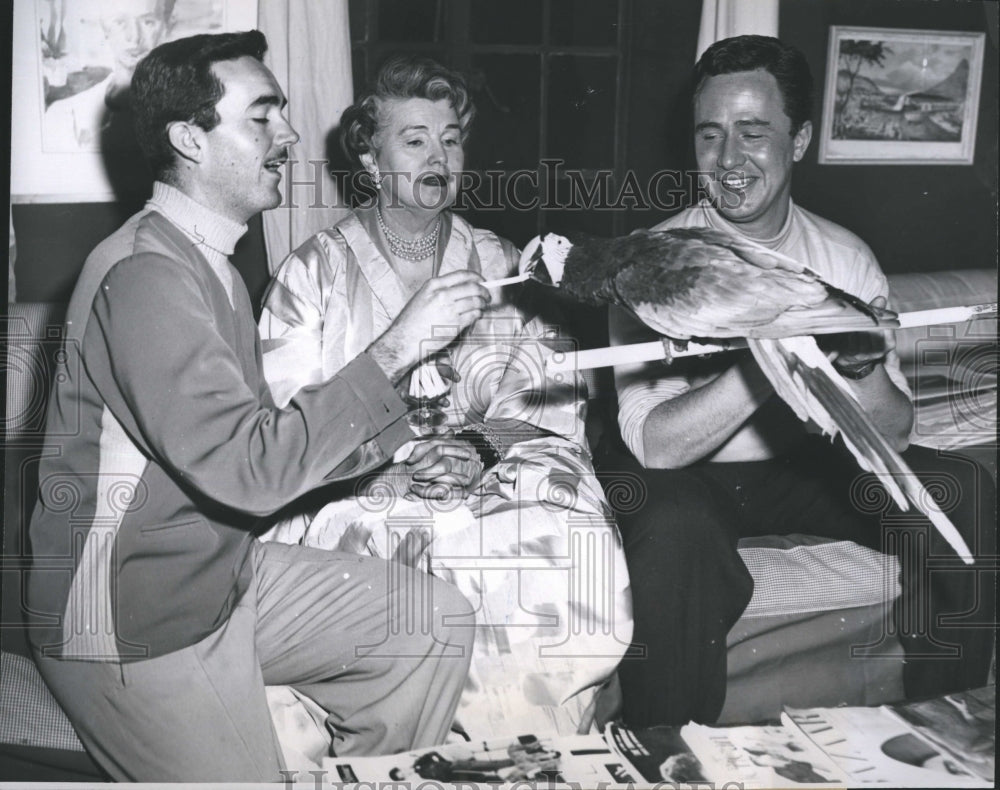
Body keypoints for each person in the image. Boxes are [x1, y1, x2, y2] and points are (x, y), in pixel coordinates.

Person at [27, 32, 485, 782]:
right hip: (128, 617)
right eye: (262, 118)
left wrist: (405, 440)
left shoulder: (210, 260)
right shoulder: (148, 275)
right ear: (189, 139)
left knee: (432, 624)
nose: (292, 134)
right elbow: (251, 471)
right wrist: (396, 350)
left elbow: (274, 440)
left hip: (220, 576)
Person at [595, 35, 995, 728]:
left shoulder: (844, 258)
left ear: (800, 138)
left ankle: (947, 727)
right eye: (710, 135)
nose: (728, 160)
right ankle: (667, 750)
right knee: (670, 520)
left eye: (753, 133)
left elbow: (894, 433)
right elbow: (656, 448)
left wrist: (863, 367)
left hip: (811, 465)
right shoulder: (650, 269)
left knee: (964, 491)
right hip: (695, 475)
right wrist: (769, 352)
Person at [257, 54, 632, 738]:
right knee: (437, 542)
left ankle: (527, 748)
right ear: (370, 162)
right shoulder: (313, 274)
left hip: (489, 465)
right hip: (357, 477)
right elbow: (287, 428)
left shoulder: (497, 262)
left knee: (559, 527)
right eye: (415, 139)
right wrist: (399, 457)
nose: (440, 154)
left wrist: (474, 446)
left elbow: (543, 398)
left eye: (451, 138)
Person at [42, 0, 174, 151]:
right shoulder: (65, 116)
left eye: (147, 22)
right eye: (119, 22)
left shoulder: (193, 112)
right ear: (105, 30)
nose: (134, 37)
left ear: (166, 27)